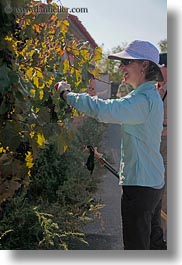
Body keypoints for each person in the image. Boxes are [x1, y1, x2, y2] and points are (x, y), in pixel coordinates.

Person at [54, 40, 167, 250]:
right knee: (154, 244)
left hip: (141, 188)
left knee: (137, 248)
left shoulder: (142, 101)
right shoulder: (147, 96)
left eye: (126, 62)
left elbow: (104, 110)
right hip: (151, 182)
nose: (120, 67)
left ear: (144, 65)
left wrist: (66, 94)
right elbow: (112, 109)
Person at [157, 53, 167, 232]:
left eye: (160, 67)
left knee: (165, 193)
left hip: (167, 143)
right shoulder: (153, 88)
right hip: (152, 141)